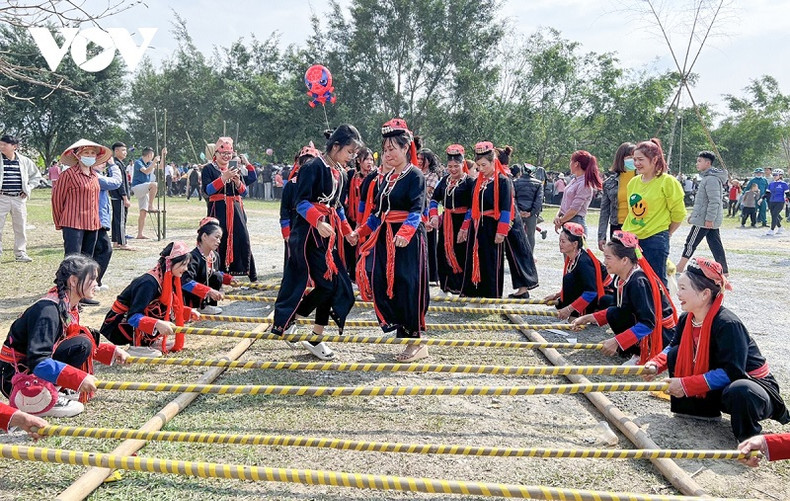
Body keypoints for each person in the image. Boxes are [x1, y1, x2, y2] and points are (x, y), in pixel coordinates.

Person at [643, 258, 789, 440]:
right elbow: (672, 346)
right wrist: (656, 365)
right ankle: (700, 412)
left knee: (741, 390)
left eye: (683, 289)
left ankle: (749, 440)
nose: (678, 294)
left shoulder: (728, 324)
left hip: (753, 386)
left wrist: (687, 385)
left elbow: (734, 371)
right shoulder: (686, 319)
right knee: (676, 354)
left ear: (704, 294)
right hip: (725, 382)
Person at [0, 255, 129, 418]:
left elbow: (66, 340)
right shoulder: (47, 311)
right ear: (73, 281)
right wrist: (78, 378)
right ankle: (41, 396)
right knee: (82, 344)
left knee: (82, 342)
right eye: (93, 279)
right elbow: (38, 361)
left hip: (25, 367)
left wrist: (111, 351)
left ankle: (54, 389)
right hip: (15, 376)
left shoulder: (65, 305)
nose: (97, 284)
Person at [272, 125, 361, 361]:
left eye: (353, 154)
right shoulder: (313, 166)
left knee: (335, 285)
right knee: (325, 284)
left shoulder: (341, 172)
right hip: (309, 234)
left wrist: (347, 231)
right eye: (349, 152)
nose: (351, 157)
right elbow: (300, 202)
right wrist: (319, 221)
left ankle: (315, 338)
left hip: (327, 234)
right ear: (336, 146)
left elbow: (337, 207)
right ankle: (291, 318)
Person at [353, 118, 429, 362]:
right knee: (381, 280)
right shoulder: (385, 179)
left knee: (409, 285)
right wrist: (361, 232)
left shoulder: (415, 176)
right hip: (386, 238)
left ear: (406, 148)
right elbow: (377, 214)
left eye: (392, 149)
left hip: (408, 241)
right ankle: (400, 329)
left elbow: (417, 210)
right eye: (385, 149)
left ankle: (416, 341)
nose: (387, 154)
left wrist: (405, 234)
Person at [573, 231, 676, 365]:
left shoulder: (638, 282)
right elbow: (619, 310)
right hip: (650, 327)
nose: (604, 262)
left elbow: (648, 323)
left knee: (616, 313)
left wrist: (617, 341)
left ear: (624, 260)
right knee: (614, 311)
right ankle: (632, 348)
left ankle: (643, 353)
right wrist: (587, 318)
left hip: (661, 334)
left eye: (608, 258)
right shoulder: (622, 277)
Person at [100, 242, 201, 357]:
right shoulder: (149, 283)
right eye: (183, 264)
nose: (186, 269)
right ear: (170, 263)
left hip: (128, 320)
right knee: (156, 307)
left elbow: (172, 304)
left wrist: (187, 311)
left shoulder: (166, 278)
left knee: (162, 305)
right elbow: (133, 316)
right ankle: (137, 346)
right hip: (117, 325)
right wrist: (157, 323)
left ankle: (149, 341)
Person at [622, 138, 686, 286]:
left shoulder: (667, 181)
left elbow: (678, 213)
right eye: (634, 159)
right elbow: (632, 213)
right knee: (630, 280)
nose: (636, 163)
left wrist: (666, 233)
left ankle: (662, 309)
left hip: (655, 240)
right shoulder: (633, 182)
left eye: (640, 159)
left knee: (655, 282)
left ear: (655, 159)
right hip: (631, 239)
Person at [460, 141, 512, 299]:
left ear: (493, 162)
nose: (481, 169)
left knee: (490, 261)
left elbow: (506, 208)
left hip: (492, 226)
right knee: (474, 258)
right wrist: (464, 227)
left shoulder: (503, 181)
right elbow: (471, 207)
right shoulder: (477, 182)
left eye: (484, 165)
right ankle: (473, 293)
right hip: (476, 227)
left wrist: (501, 231)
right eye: (478, 166)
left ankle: (491, 296)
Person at [202, 137, 258, 282]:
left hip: (236, 209)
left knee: (242, 238)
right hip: (218, 209)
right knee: (218, 239)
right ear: (216, 153)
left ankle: (247, 272)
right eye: (223, 153)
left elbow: (244, 192)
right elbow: (207, 191)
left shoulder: (235, 169)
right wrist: (223, 178)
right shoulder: (208, 169)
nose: (226, 156)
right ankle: (218, 274)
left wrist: (238, 181)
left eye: (229, 154)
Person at [51, 139, 112, 258]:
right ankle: (66, 277)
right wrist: (59, 222)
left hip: (92, 223)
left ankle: (91, 277)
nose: (90, 155)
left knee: (87, 260)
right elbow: (57, 199)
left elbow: (95, 200)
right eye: (86, 153)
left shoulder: (94, 175)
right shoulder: (68, 174)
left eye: (92, 153)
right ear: (77, 155)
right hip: (73, 223)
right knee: (73, 260)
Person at [429, 144, 474, 295]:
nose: (453, 169)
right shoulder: (444, 181)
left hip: (463, 222)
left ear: (463, 164)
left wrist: (465, 227)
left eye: (456, 166)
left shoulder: (469, 183)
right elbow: (434, 200)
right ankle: (445, 286)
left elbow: (472, 206)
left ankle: (462, 287)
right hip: (447, 222)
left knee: (462, 254)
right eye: (450, 166)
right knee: (442, 252)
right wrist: (434, 215)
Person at [676, 151, 729, 275]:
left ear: (708, 163)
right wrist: (693, 216)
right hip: (703, 217)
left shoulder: (711, 179)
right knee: (715, 245)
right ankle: (724, 271)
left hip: (704, 219)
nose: (697, 164)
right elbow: (702, 202)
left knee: (690, 242)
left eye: (699, 161)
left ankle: (680, 267)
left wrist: (709, 218)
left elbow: (714, 201)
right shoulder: (708, 178)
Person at [543, 222, 610, 320]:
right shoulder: (574, 257)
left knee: (569, 279)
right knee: (569, 279)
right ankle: (573, 313)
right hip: (593, 292)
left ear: (575, 244)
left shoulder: (584, 262)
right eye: (560, 241)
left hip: (605, 296)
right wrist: (557, 295)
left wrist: (569, 309)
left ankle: (576, 315)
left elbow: (591, 292)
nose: (560, 244)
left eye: (563, 241)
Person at [498, 147, 540, 299]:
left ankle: (524, 287)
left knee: (517, 252)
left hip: (510, 216)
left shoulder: (504, 175)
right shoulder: (507, 174)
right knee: (517, 251)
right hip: (515, 213)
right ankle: (523, 287)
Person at [0, 134, 42, 263]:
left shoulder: (24, 161)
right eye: (0, 144)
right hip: (2, 198)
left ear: (14, 147)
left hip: (19, 198)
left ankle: (20, 253)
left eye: (4, 145)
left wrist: (28, 188)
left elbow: (36, 176)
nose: (1, 147)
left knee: (20, 227)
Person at [279, 142, 321, 269]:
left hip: (314, 225)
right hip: (295, 225)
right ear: (299, 165)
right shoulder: (291, 185)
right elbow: (284, 211)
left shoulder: (320, 183)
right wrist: (286, 233)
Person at [181, 217, 229, 315]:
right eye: (216, 237)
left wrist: (229, 279)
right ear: (204, 236)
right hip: (189, 297)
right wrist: (208, 291)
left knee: (217, 276)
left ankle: (208, 305)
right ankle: (194, 307)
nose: (219, 241)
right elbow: (185, 281)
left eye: (220, 238)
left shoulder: (215, 256)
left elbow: (216, 273)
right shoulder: (192, 257)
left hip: (205, 292)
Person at [598, 142, 636, 250]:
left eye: (635, 157)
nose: (633, 160)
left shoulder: (643, 179)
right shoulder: (609, 183)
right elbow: (604, 212)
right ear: (621, 158)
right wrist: (601, 236)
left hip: (637, 226)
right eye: (630, 157)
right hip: (617, 227)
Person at [553, 150, 602, 235]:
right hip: (566, 220)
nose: (569, 164)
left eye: (570, 161)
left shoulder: (584, 184)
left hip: (576, 222)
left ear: (576, 164)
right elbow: (564, 204)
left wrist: (560, 221)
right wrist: (558, 216)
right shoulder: (574, 180)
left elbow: (574, 209)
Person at [130, 147, 164, 239]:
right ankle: (150, 205)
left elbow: (161, 167)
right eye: (152, 156)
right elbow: (146, 171)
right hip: (137, 187)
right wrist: (154, 162)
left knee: (143, 212)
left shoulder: (149, 163)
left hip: (144, 188)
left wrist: (163, 155)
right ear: (149, 155)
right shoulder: (138, 162)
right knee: (154, 184)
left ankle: (140, 234)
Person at [418, 148, 441, 285]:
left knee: (431, 244)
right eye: (418, 158)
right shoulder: (415, 172)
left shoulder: (432, 175)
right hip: (416, 211)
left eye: (422, 159)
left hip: (427, 211)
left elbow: (427, 191)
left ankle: (433, 275)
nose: (420, 161)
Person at [512, 164, 544, 253]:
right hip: (532, 214)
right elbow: (539, 200)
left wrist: (518, 211)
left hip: (518, 213)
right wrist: (531, 212)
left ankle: (517, 254)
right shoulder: (538, 183)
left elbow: (513, 198)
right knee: (530, 235)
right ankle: (530, 255)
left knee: (517, 233)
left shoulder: (515, 182)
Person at [109, 142, 133, 251]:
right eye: (123, 150)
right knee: (121, 220)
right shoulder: (117, 164)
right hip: (119, 197)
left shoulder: (117, 163)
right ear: (116, 151)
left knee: (116, 219)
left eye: (125, 150)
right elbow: (121, 183)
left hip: (115, 196)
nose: (125, 153)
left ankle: (116, 241)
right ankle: (123, 242)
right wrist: (125, 197)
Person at [763, 168, 789, 236]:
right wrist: (761, 199)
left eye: (776, 175)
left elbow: (787, 194)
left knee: (774, 214)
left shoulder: (784, 184)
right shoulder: (771, 184)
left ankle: (772, 229)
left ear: (780, 175)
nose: (774, 176)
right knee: (774, 215)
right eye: (773, 175)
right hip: (772, 201)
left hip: (780, 201)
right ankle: (780, 227)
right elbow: (767, 193)